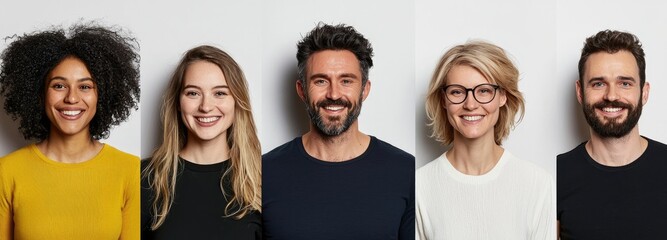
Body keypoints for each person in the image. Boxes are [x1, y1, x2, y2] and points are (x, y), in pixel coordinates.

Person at [262, 23, 414, 240]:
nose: (334, 94)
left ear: (365, 90)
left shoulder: (406, 172)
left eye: (346, 81)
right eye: (321, 81)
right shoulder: (263, 173)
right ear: (302, 90)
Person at [0, 23, 140, 239]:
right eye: (58, 86)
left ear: (101, 95)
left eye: (85, 86)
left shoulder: (130, 171)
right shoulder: (7, 171)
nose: (72, 98)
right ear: (40, 94)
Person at [416, 41, 555, 239]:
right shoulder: (420, 186)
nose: (470, 104)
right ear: (444, 100)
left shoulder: (538, 184)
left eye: (484, 91)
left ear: (502, 97)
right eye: (457, 92)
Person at [141, 45, 262, 239]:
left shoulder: (263, 180)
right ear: (178, 103)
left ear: (237, 102)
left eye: (220, 93)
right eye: (193, 93)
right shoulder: (145, 179)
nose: (206, 106)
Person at [557, 30, 667, 239]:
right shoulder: (555, 176)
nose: (611, 96)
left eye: (625, 83)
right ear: (580, 92)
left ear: (644, 92)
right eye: (598, 84)